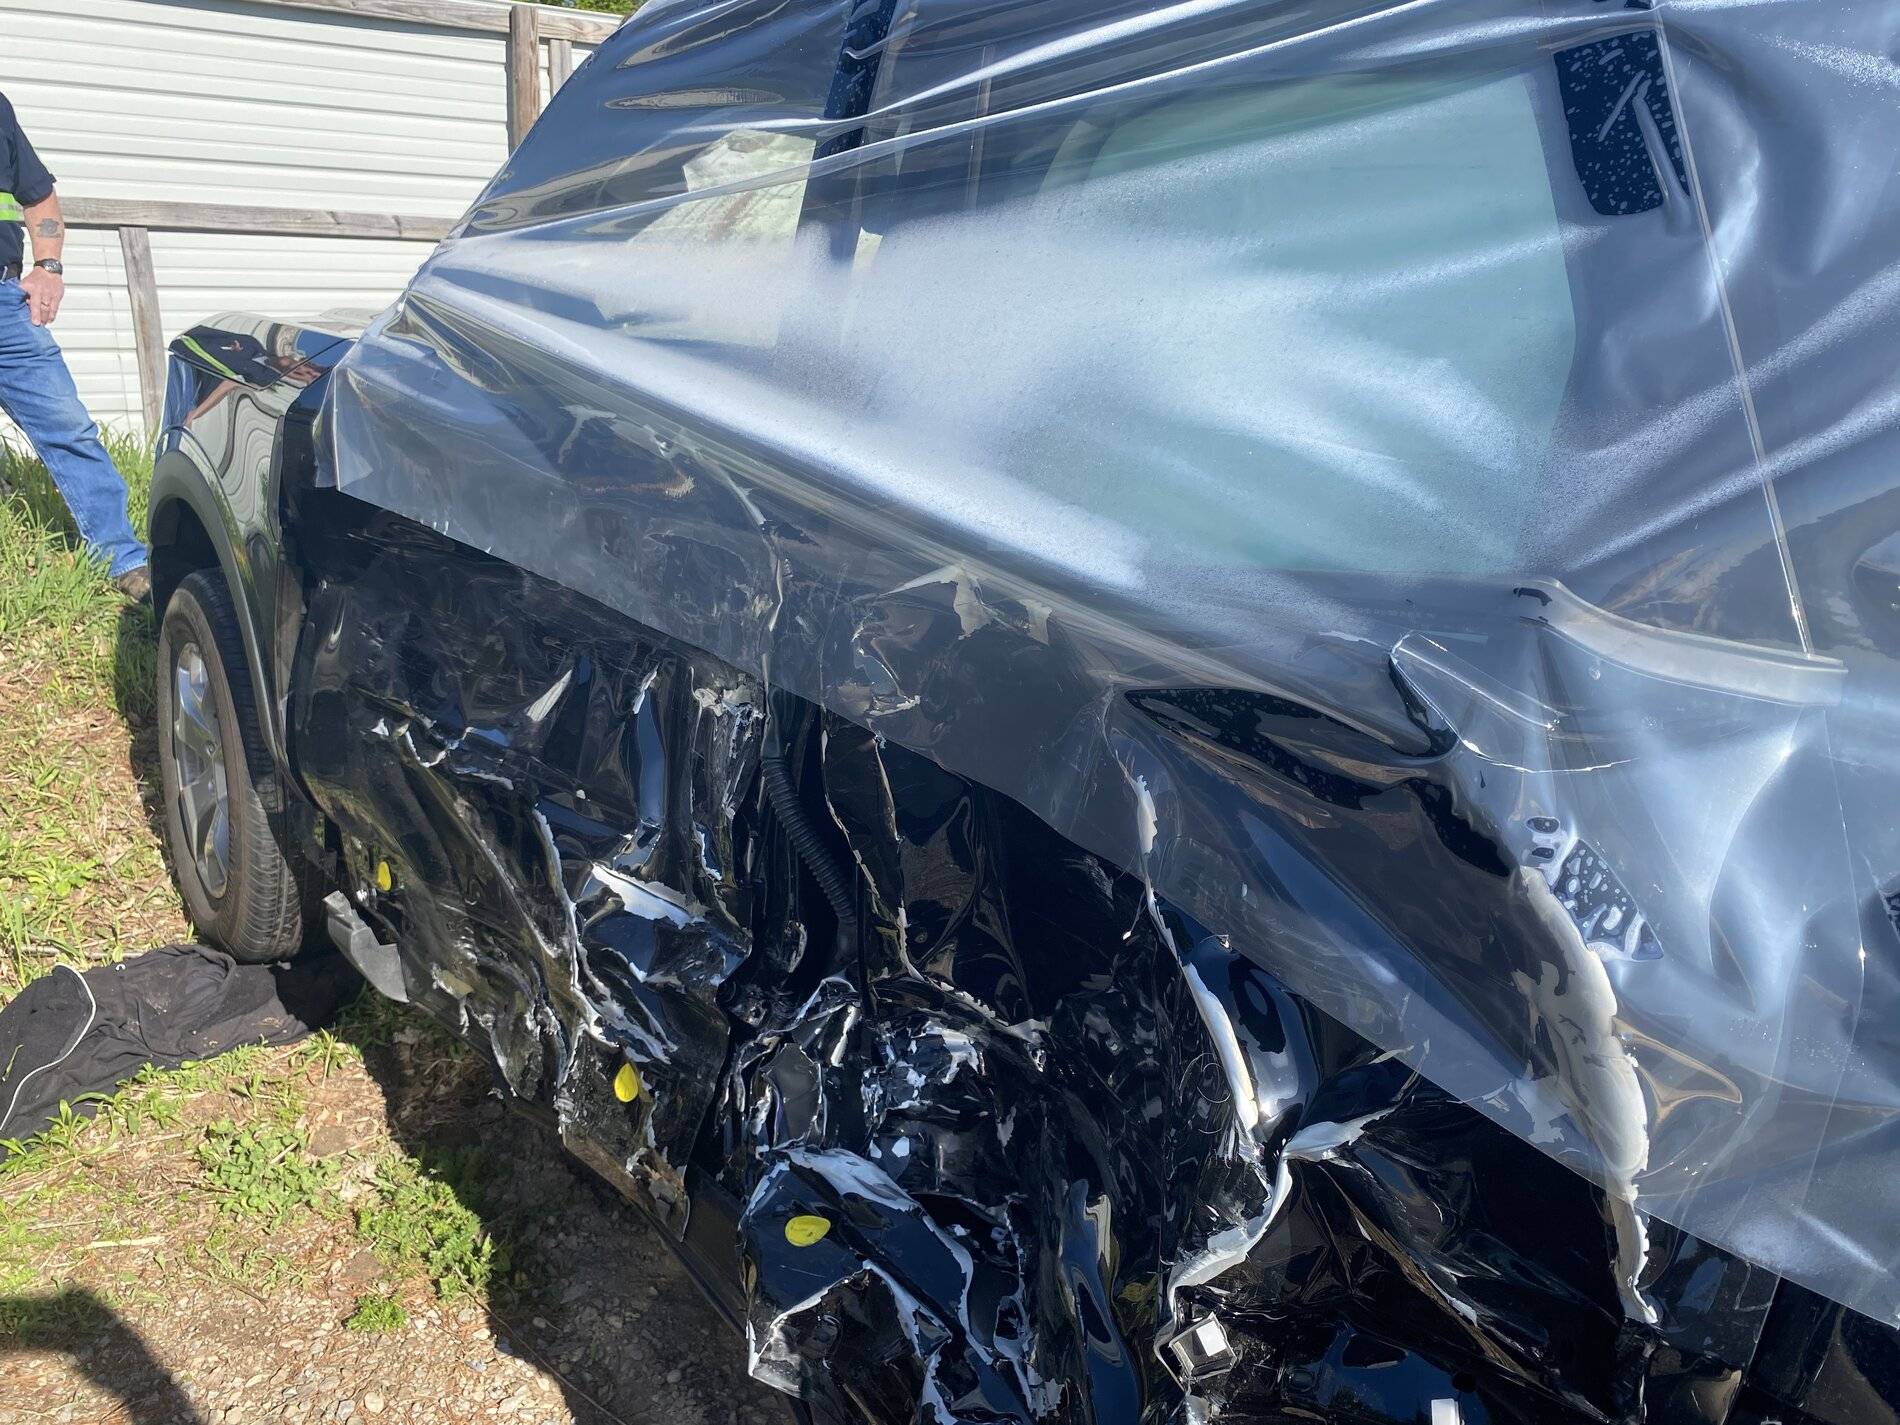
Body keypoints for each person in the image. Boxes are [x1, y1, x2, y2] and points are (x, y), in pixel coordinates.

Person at [0, 90, 149, 602]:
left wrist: (48, 268)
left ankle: (123, 558)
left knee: (67, 424)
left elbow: (38, 197)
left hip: (5, 305)